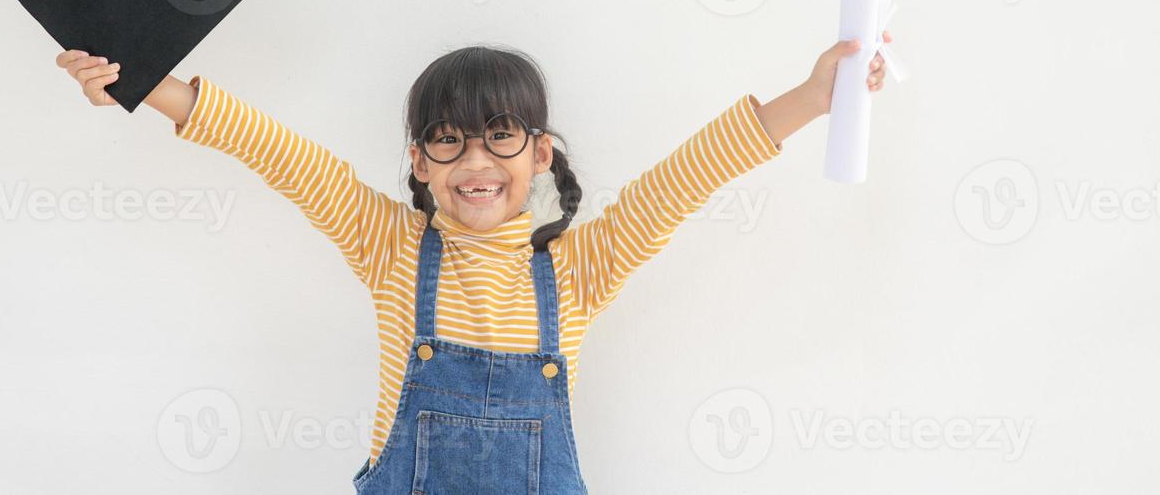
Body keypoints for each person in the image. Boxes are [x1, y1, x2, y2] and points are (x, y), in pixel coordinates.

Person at [55, 35, 891, 492]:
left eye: (500, 134)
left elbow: (689, 174)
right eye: (446, 139)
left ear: (540, 152)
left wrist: (816, 97)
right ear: (419, 163)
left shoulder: (577, 266)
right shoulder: (390, 245)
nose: (474, 159)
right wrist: (137, 84)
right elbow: (273, 148)